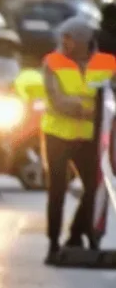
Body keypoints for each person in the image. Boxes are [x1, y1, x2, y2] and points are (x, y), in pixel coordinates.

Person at [40, 17, 116, 263]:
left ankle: (78, 235)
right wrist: (91, 108)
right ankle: (53, 243)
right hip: (57, 136)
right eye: (62, 38)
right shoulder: (52, 61)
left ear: (83, 40)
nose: (64, 43)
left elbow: (111, 98)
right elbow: (57, 100)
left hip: (90, 139)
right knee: (57, 191)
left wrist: (93, 108)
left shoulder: (108, 63)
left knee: (95, 188)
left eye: (69, 38)